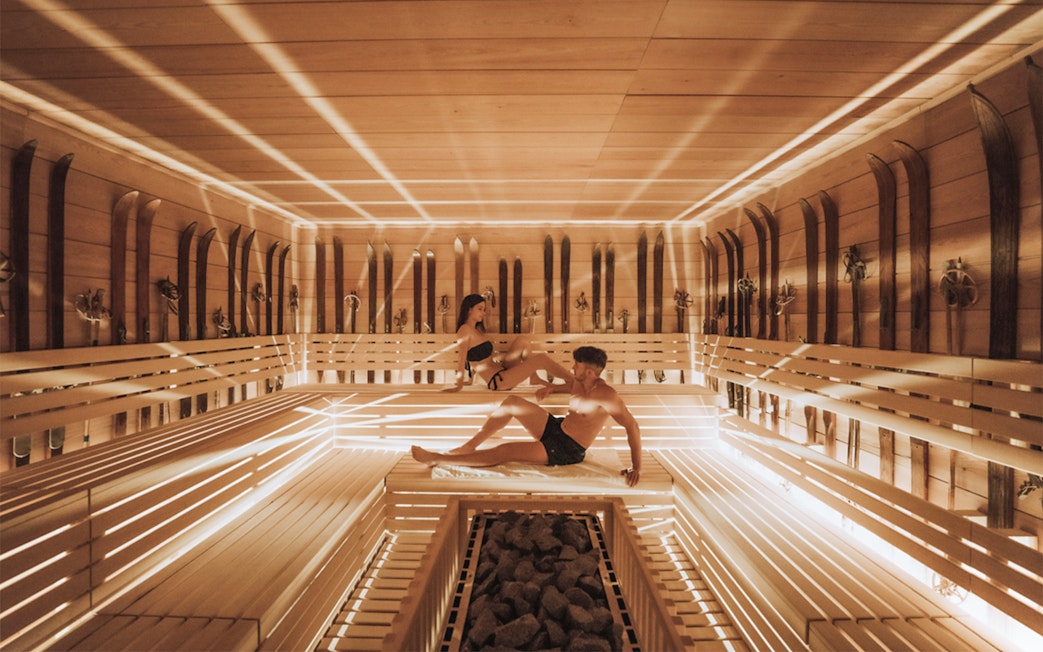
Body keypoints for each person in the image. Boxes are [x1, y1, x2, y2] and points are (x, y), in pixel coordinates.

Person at [413, 346, 642, 487]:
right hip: (557, 428)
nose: (572, 368)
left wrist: (636, 467)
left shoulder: (607, 396)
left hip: (567, 448)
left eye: (577, 366)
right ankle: (470, 445)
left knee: (505, 451)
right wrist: (552, 388)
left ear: (590, 372)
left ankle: (438, 458)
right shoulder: (580, 383)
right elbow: (574, 390)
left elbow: (632, 427)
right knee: (512, 403)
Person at [445, 293, 573, 392]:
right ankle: (574, 381)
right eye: (480, 309)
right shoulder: (464, 330)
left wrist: (470, 380)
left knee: (522, 340)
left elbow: (474, 361)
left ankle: (534, 378)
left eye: (484, 309)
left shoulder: (476, 330)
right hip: (499, 380)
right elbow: (463, 357)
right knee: (541, 359)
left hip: (503, 370)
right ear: (469, 309)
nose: (483, 313)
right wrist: (459, 384)